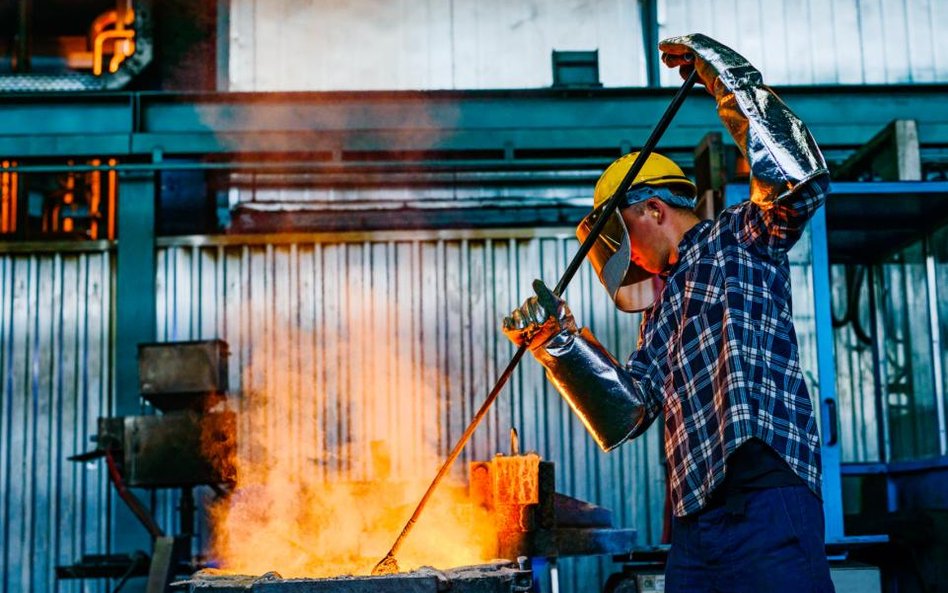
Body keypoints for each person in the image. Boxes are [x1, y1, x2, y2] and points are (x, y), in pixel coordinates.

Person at [503, 33, 835, 593]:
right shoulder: (658, 312)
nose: (626, 259)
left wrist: (722, 77)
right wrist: (555, 341)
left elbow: (799, 183)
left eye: (623, 237)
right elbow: (628, 412)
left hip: (767, 498)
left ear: (653, 210)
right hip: (697, 521)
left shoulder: (740, 235)